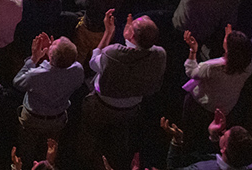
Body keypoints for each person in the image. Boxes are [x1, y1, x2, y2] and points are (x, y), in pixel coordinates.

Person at [81, 13, 168, 170]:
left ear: (132, 35)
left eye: (131, 26)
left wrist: (108, 33)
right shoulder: (160, 54)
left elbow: (93, 63)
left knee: (89, 131)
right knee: (121, 136)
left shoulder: (112, 53)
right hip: (131, 109)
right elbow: (139, 49)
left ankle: (86, 159)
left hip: (101, 105)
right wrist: (131, 33)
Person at [14, 34, 84, 165]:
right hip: (57, 120)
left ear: (51, 57)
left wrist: (34, 59)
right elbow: (65, 65)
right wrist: (53, 53)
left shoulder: (36, 75)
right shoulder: (78, 70)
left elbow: (17, 82)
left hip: (32, 120)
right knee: (51, 151)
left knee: (27, 150)